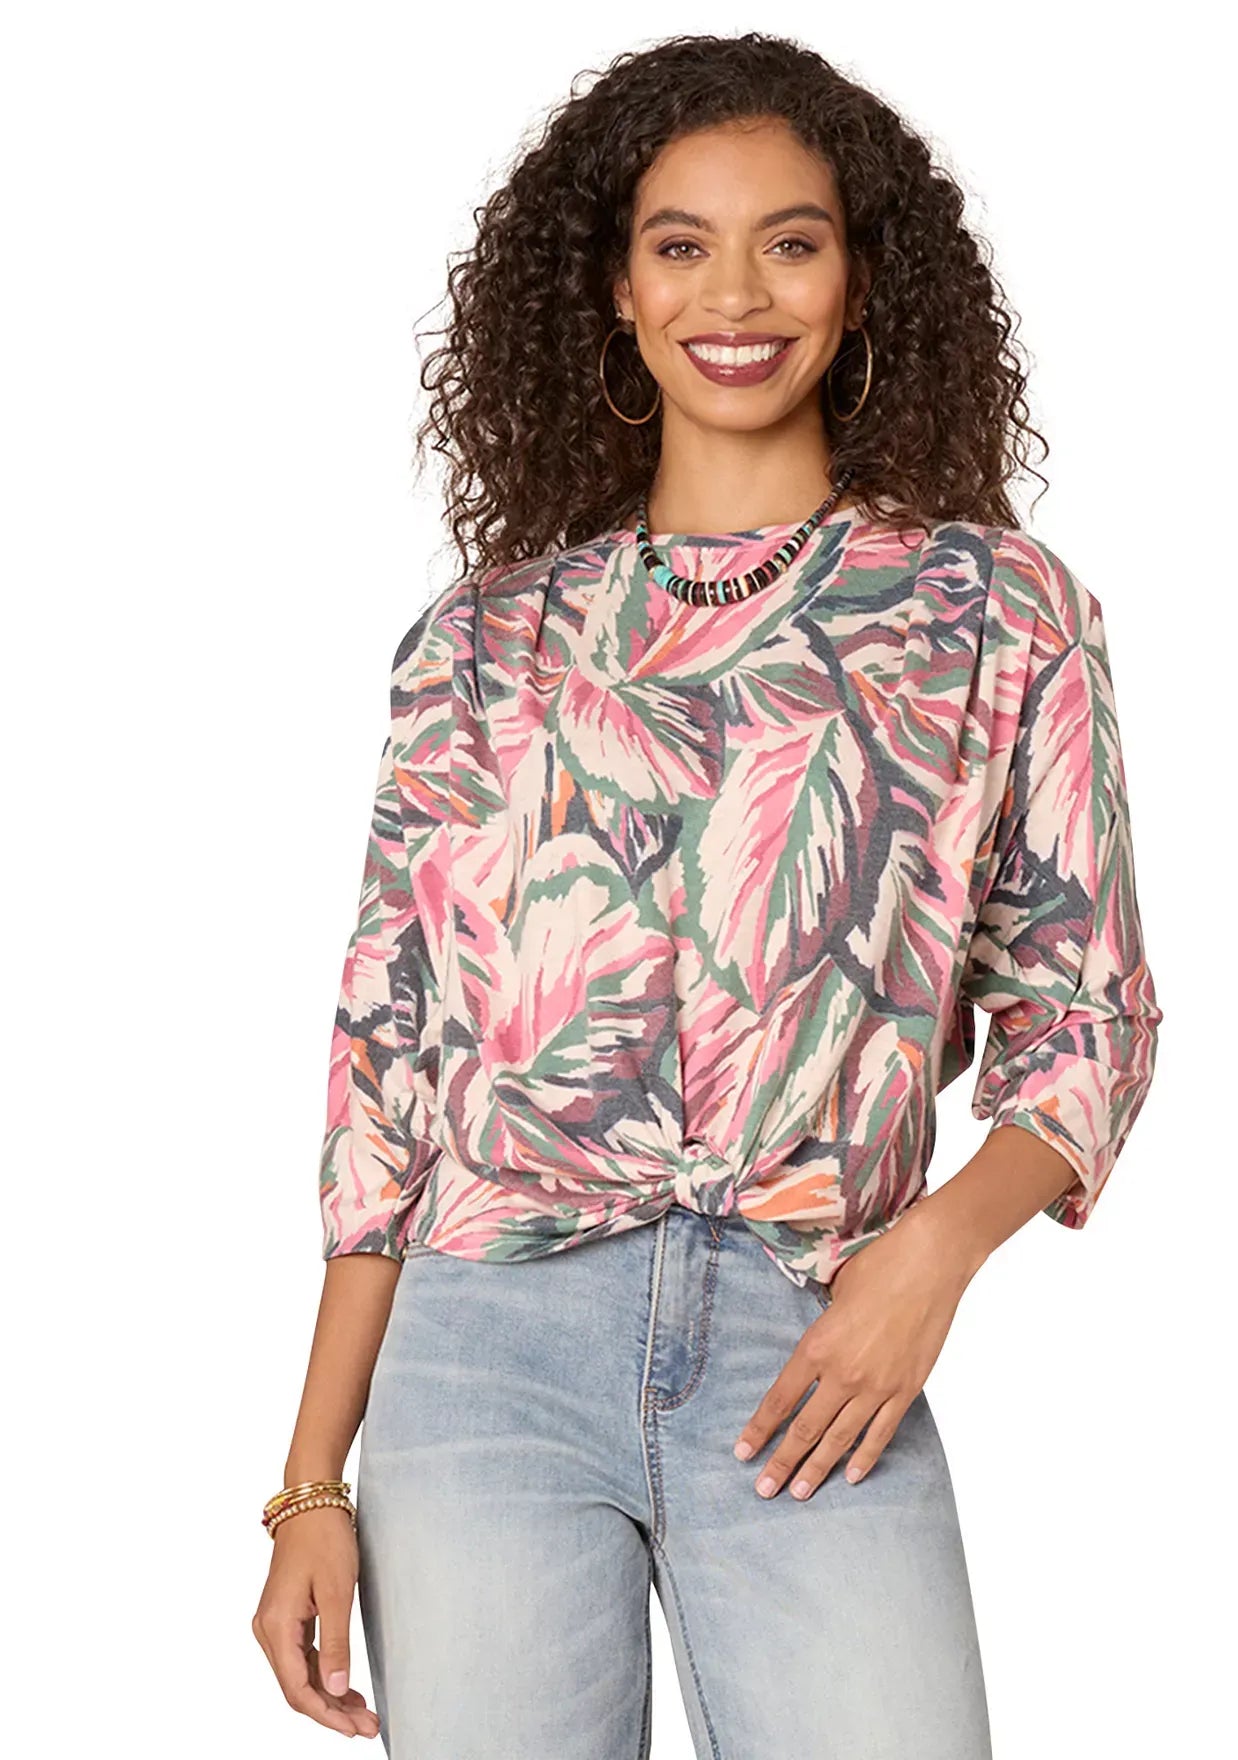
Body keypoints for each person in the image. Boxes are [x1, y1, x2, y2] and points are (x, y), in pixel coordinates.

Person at [251, 31, 1162, 1759]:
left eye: (790, 241)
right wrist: (310, 1483)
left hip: (810, 1340)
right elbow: (386, 1075)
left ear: (862, 278)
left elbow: (1087, 1014)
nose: (734, 294)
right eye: (681, 244)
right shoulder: (479, 646)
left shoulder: (995, 611)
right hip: (482, 1356)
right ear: (615, 287)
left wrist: (933, 1255)